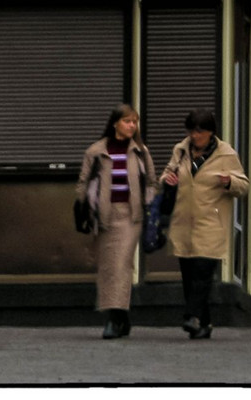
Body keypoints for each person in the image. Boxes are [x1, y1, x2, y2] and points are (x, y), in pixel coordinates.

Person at [160, 109, 249, 340]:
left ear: (210, 132)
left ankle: (191, 316)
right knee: (189, 275)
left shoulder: (225, 154)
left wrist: (229, 181)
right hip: (183, 222)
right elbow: (168, 173)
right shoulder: (181, 151)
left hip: (211, 222)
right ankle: (204, 324)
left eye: (200, 132)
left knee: (202, 273)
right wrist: (167, 180)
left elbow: (244, 186)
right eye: (191, 131)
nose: (195, 136)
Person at [75, 103, 156, 339]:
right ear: (115, 123)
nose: (132, 126)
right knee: (108, 267)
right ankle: (121, 317)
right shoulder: (96, 151)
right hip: (103, 215)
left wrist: (148, 202)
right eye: (127, 121)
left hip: (131, 216)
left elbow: (152, 181)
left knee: (120, 265)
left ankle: (111, 320)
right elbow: (83, 182)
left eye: (134, 122)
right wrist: (83, 207)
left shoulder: (141, 151)